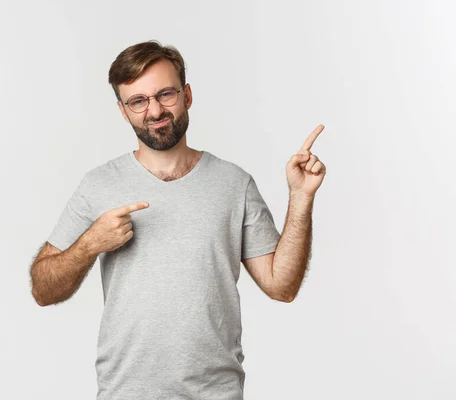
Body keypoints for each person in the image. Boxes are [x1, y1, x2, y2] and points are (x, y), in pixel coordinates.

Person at [29, 40, 327, 400]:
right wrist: (91, 243)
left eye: (165, 94)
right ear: (123, 111)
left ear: (186, 95)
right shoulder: (99, 185)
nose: (154, 110)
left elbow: (282, 286)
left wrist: (301, 197)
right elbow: (43, 291)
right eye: (138, 101)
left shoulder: (233, 184)